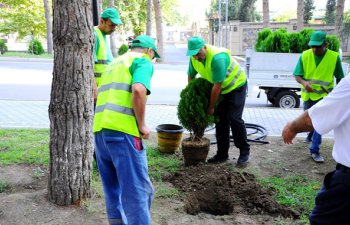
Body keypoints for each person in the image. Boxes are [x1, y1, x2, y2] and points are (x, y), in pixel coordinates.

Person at [93, 35, 160, 225]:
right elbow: (138, 89)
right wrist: (142, 125)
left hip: (100, 133)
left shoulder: (114, 63)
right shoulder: (143, 61)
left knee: (112, 190)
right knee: (137, 192)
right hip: (123, 134)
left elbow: (97, 94)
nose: (153, 59)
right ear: (150, 51)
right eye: (153, 55)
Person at [282, 74, 350, 225]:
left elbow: (312, 119)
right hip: (312, 99)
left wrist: (292, 126)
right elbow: (297, 75)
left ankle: (314, 149)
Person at [186, 36, 250, 167]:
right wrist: (192, 95)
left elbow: (217, 86)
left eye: (198, 53)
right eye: (193, 55)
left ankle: (244, 151)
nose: (196, 57)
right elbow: (190, 76)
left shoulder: (217, 58)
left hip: (236, 86)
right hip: (221, 89)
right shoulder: (194, 59)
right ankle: (222, 154)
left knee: (234, 119)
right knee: (220, 121)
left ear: (204, 47)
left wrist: (211, 107)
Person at [293, 30, 344, 163]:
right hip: (308, 96)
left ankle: (314, 150)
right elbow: (297, 75)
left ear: (325, 44)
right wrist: (304, 83)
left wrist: (339, 97)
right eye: (312, 46)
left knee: (319, 122)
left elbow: (340, 78)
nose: (314, 49)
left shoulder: (334, 57)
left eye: (318, 46)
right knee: (310, 120)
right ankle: (310, 135)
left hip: (325, 97)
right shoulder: (305, 55)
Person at [93, 7, 123, 101]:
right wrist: (94, 90)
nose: (114, 29)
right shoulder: (95, 35)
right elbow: (88, 67)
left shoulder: (104, 35)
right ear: (102, 21)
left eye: (115, 26)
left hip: (104, 90)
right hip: (97, 92)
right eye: (111, 25)